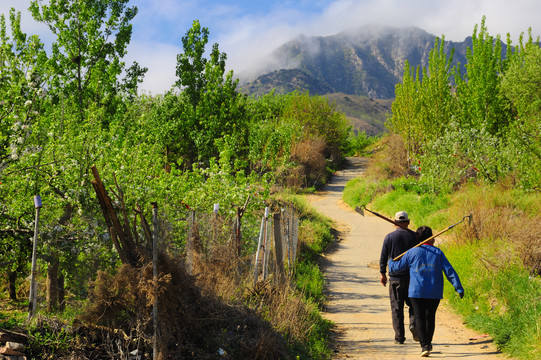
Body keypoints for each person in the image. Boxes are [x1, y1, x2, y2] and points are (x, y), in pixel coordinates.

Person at [389, 226, 465, 357]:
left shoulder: (412, 252)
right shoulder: (437, 253)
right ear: (432, 238)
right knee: (430, 317)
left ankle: (424, 346)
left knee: (419, 317)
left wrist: (390, 262)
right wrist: (458, 287)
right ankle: (428, 343)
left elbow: (397, 268)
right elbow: (449, 271)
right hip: (434, 292)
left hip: (416, 292)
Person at [379, 210, 418, 344]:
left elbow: (383, 257)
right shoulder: (415, 237)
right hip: (412, 277)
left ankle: (399, 337)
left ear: (395, 223)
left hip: (395, 278)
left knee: (396, 307)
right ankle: (413, 323)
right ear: (408, 222)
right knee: (413, 304)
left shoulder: (389, 237)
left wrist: (382, 273)